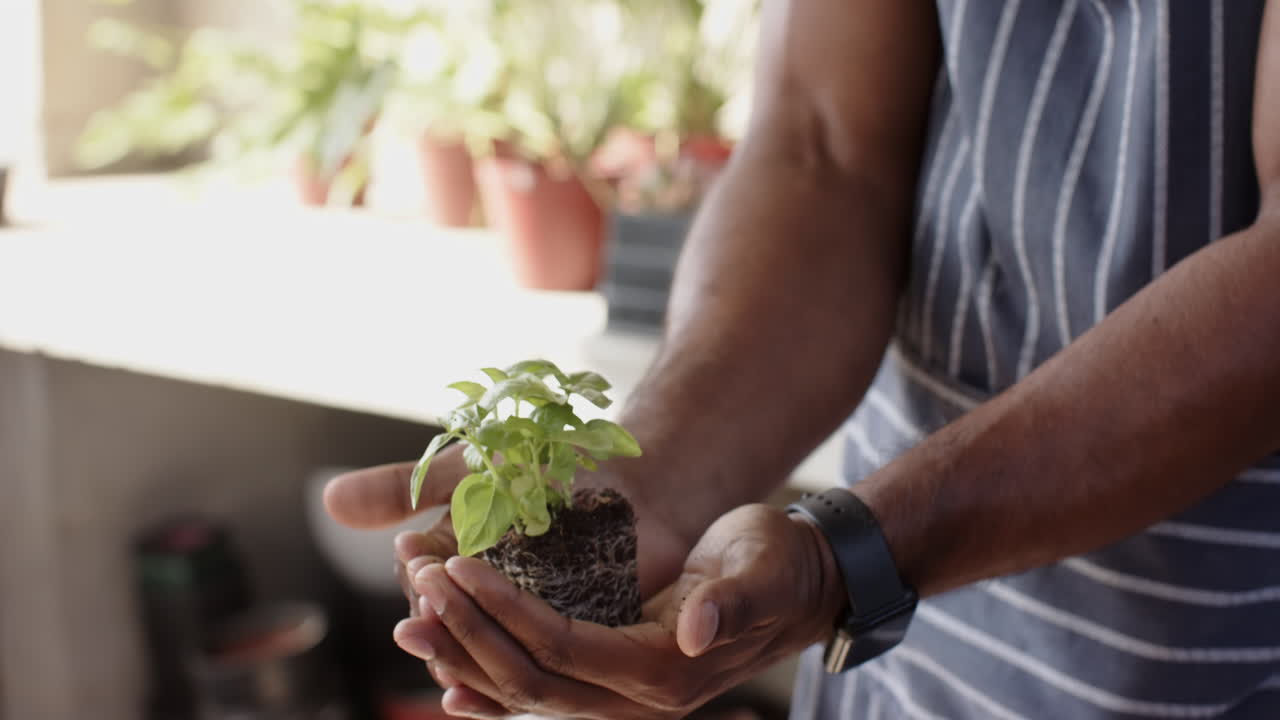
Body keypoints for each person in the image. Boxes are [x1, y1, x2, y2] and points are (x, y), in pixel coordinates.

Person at [323, 0, 1280, 717]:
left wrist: (848, 560)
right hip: (902, 637)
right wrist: (658, 467)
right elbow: (821, 145)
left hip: (1218, 636)